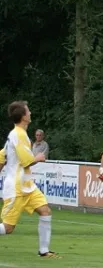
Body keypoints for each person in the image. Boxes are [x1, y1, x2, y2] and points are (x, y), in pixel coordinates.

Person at [0, 101, 59, 258]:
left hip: (27, 185)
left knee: (45, 211)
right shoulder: (18, 134)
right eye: (28, 111)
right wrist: (38, 157)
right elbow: (27, 160)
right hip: (16, 187)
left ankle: (44, 250)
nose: (30, 113)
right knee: (8, 228)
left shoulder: (19, 134)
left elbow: (2, 155)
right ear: (23, 116)